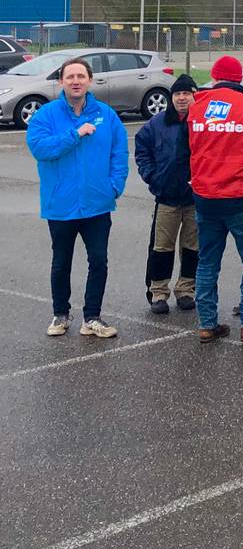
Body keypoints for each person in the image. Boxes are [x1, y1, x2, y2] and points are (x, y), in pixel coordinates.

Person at [181, 55, 243, 344]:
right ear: (239, 79)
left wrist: (194, 179)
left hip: (205, 197)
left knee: (207, 262)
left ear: (213, 76)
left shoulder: (196, 107)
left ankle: (207, 324)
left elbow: (183, 150)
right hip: (242, 196)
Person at [28, 56, 129, 339]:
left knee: (99, 261)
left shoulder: (106, 115)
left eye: (80, 76)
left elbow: (119, 153)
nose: (75, 81)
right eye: (70, 76)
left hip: (98, 205)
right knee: (61, 262)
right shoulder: (46, 115)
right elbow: (40, 148)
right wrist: (75, 134)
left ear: (89, 81)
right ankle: (60, 314)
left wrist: (114, 186)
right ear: (61, 81)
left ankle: (92, 317)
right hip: (60, 205)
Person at [136, 74, 199, 315]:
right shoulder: (157, 123)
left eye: (186, 93)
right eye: (177, 94)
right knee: (162, 247)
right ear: (172, 97)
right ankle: (158, 291)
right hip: (167, 196)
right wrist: (152, 176)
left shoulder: (201, 121)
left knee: (193, 247)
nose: (182, 98)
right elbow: (142, 149)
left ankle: (186, 290)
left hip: (195, 197)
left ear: (194, 95)